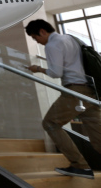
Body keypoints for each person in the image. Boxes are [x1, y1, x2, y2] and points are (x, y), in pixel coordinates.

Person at [26, 19, 101, 179]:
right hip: (90, 90)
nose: (36, 41)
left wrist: (38, 69)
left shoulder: (52, 45)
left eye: (35, 37)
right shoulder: (70, 38)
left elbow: (56, 72)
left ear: (42, 31)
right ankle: (80, 166)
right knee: (98, 136)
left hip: (74, 91)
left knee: (50, 123)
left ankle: (79, 165)